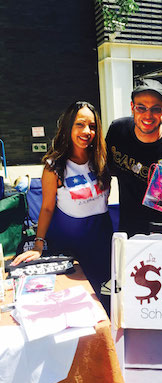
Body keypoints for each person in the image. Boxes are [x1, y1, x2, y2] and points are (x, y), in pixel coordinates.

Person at [12, 101, 113, 311]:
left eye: (92, 126)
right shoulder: (54, 166)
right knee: (73, 305)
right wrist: (38, 246)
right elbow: (47, 208)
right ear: (68, 127)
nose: (87, 131)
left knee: (105, 303)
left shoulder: (102, 159)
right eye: (80, 124)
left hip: (102, 242)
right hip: (69, 246)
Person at [106, 79, 162, 237]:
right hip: (129, 227)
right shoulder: (118, 131)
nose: (148, 115)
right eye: (141, 108)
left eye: (156, 109)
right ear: (132, 108)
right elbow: (105, 170)